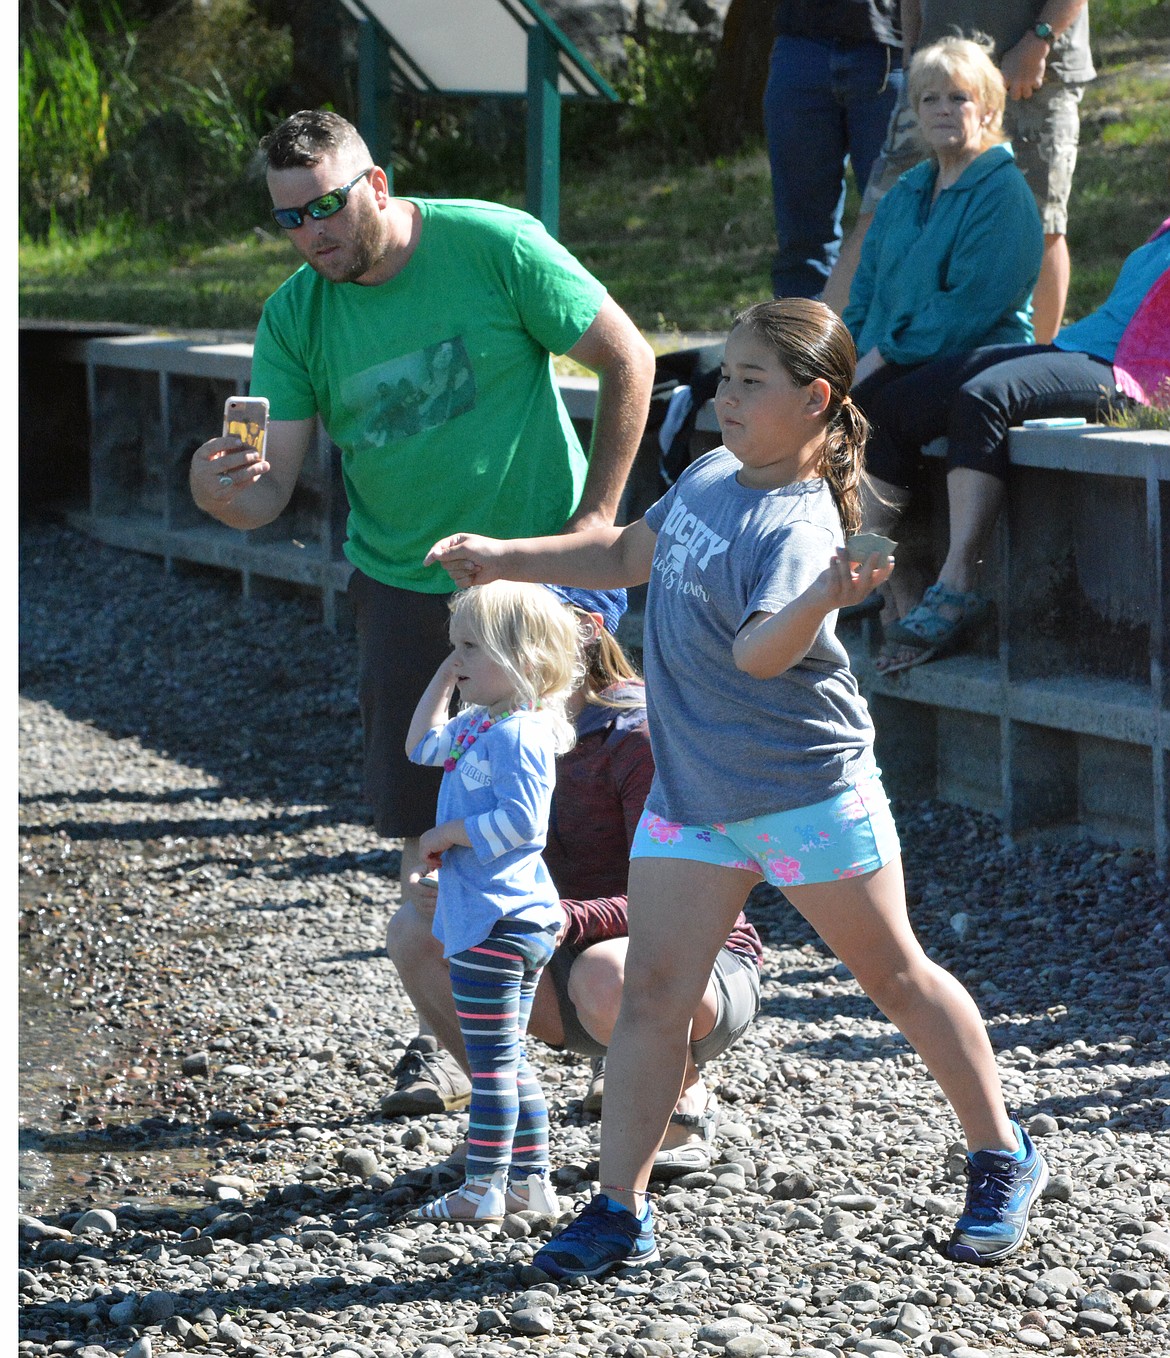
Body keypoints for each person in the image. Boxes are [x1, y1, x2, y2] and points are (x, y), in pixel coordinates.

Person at [426, 298, 1049, 1277]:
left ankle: (1002, 1152)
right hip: (695, 795)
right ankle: (617, 1208)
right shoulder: (713, 473)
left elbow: (762, 652)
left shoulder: (801, 523)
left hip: (806, 792)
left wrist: (823, 597)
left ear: (815, 400)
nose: (726, 396)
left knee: (894, 977)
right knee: (653, 994)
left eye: (750, 382)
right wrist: (506, 557)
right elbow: (629, 555)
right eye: (725, 378)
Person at [187, 110, 656, 966]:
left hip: (539, 576)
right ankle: (447, 1035)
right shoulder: (294, 316)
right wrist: (214, 489)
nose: (311, 234)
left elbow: (629, 357)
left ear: (376, 185)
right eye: (289, 218)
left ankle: (618, 1015)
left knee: (581, 798)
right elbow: (265, 497)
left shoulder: (491, 244)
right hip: (407, 587)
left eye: (325, 207)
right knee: (430, 816)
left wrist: (596, 521)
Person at [385, 584, 764, 1181]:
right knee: (416, 928)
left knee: (608, 972)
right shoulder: (492, 722)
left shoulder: (640, 736)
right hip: (554, 944)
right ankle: (498, 1122)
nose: (465, 657)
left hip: (691, 958)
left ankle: (681, 1096)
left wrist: (562, 916)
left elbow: (683, 896)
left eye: (483, 639)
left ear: (578, 632)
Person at [859, 215, 1170, 672]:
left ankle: (957, 585)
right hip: (1079, 346)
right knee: (886, 403)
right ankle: (889, 577)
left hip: (1133, 373)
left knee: (985, 398)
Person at [402, 581, 581, 1223]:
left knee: (491, 1069)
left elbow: (524, 827)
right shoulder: (481, 724)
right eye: (455, 646)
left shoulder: (521, 735)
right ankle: (530, 1186)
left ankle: (482, 1188)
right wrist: (446, 674)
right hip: (499, 915)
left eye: (472, 646)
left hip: (499, 920)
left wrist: (447, 835)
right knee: (506, 1058)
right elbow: (420, 748)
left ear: (525, 660)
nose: (458, 659)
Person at [823, 1, 1093, 343]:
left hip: (1032, 67)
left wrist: (1039, 40)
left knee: (1044, 223)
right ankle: (819, 369)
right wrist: (912, 54)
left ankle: (1031, 372)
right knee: (876, 214)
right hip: (938, 68)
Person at [843, 34, 1044, 392]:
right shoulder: (905, 191)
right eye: (929, 99)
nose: (943, 109)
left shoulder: (1003, 194)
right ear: (917, 112)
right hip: (888, 363)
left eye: (958, 98)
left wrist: (881, 358)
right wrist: (848, 361)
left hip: (969, 366)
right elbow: (863, 294)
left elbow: (965, 309)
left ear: (989, 111)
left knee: (880, 416)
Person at [763, 0, 905, 299]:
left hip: (886, 46)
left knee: (898, 224)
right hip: (800, 42)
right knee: (801, 237)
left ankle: (894, 341)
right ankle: (803, 341)